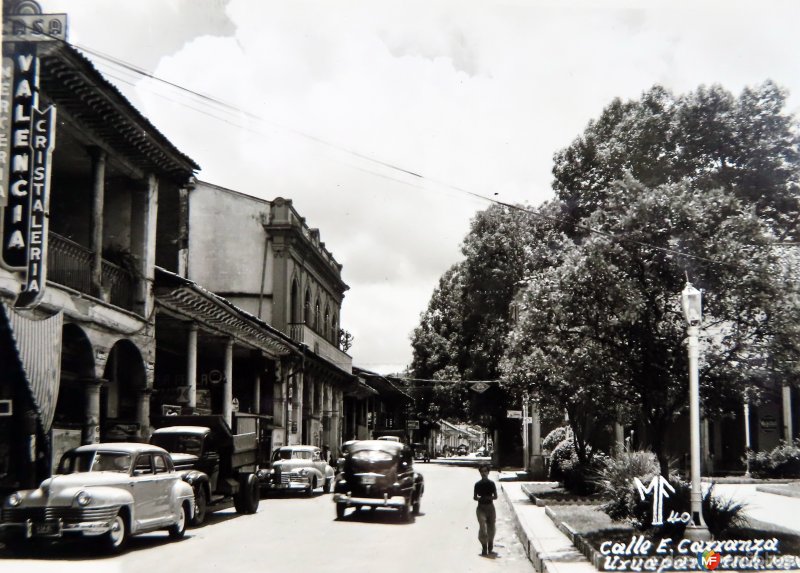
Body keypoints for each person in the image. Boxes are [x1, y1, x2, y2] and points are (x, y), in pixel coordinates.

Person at [473, 463, 497, 556]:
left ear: (488, 472)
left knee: (491, 528)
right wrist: (480, 499)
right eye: (482, 471)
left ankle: (490, 543)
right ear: (480, 473)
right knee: (483, 528)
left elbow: (495, 496)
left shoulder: (491, 484)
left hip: (490, 508)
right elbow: (474, 497)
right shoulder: (477, 484)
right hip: (481, 508)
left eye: (485, 471)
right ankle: (484, 546)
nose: (484, 473)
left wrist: (488, 498)